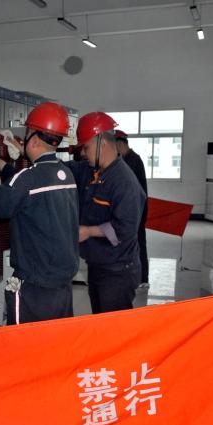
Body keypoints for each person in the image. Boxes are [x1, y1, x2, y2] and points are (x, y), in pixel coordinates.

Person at [0, 102, 80, 322]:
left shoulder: (28, 179)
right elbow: (25, 190)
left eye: (27, 134)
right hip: (60, 284)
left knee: (25, 341)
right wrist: (0, 163)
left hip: (35, 288)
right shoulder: (65, 174)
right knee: (55, 338)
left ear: (35, 140)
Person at [66, 112, 146, 314]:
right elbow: (66, 169)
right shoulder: (93, 171)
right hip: (99, 265)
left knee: (113, 327)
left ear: (101, 143)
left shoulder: (124, 181)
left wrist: (89, 231)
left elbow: (124, 229)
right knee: (100, 321)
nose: (83, 153)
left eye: (86, 147)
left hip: (118, 272)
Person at [114, 130, 150, 288]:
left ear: (120, 144)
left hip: (137, 209)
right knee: (131, 242)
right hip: (135, 208)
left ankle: (143, 278)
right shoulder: (127, 159)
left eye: (114, 147)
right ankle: (135, 275)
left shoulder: (132, 161)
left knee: (139, 242)